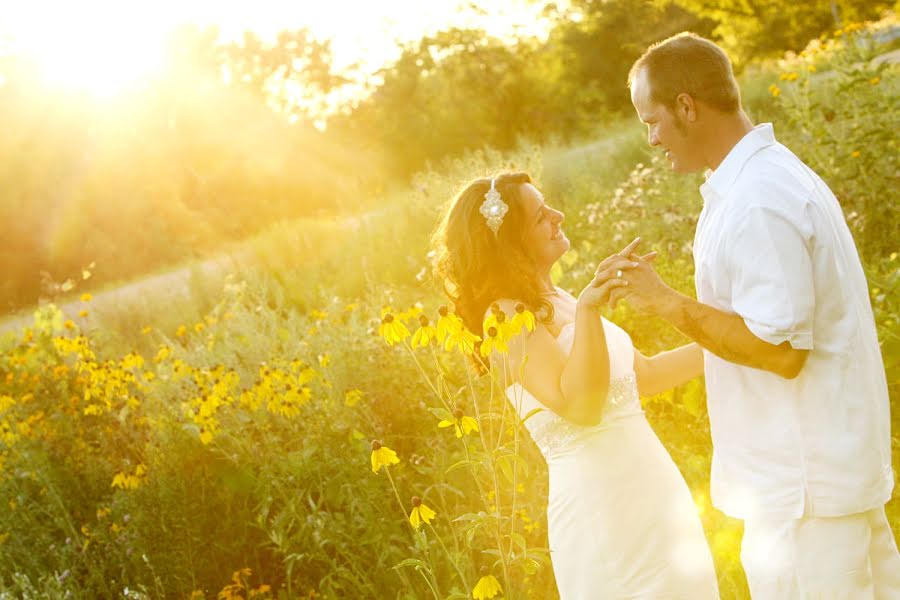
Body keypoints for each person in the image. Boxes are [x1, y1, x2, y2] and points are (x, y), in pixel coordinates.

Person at [613, 32, 900, 598]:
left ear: (687, 107)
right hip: (814, 489)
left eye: (653, 121)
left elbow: (781, 351)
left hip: (803, 501)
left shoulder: (758, 201)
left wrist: (667, 304)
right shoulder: (758, 179)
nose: (651, 139)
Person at [431, 172, 720, 599]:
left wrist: (734, 342)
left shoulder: (559, 298)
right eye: (540, 215)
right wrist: (588, 309)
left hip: (656, 492)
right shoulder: (505, 317)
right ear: (510, 242)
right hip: (603, 511)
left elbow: (647, 376)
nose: (558, 215)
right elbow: (580, 407)